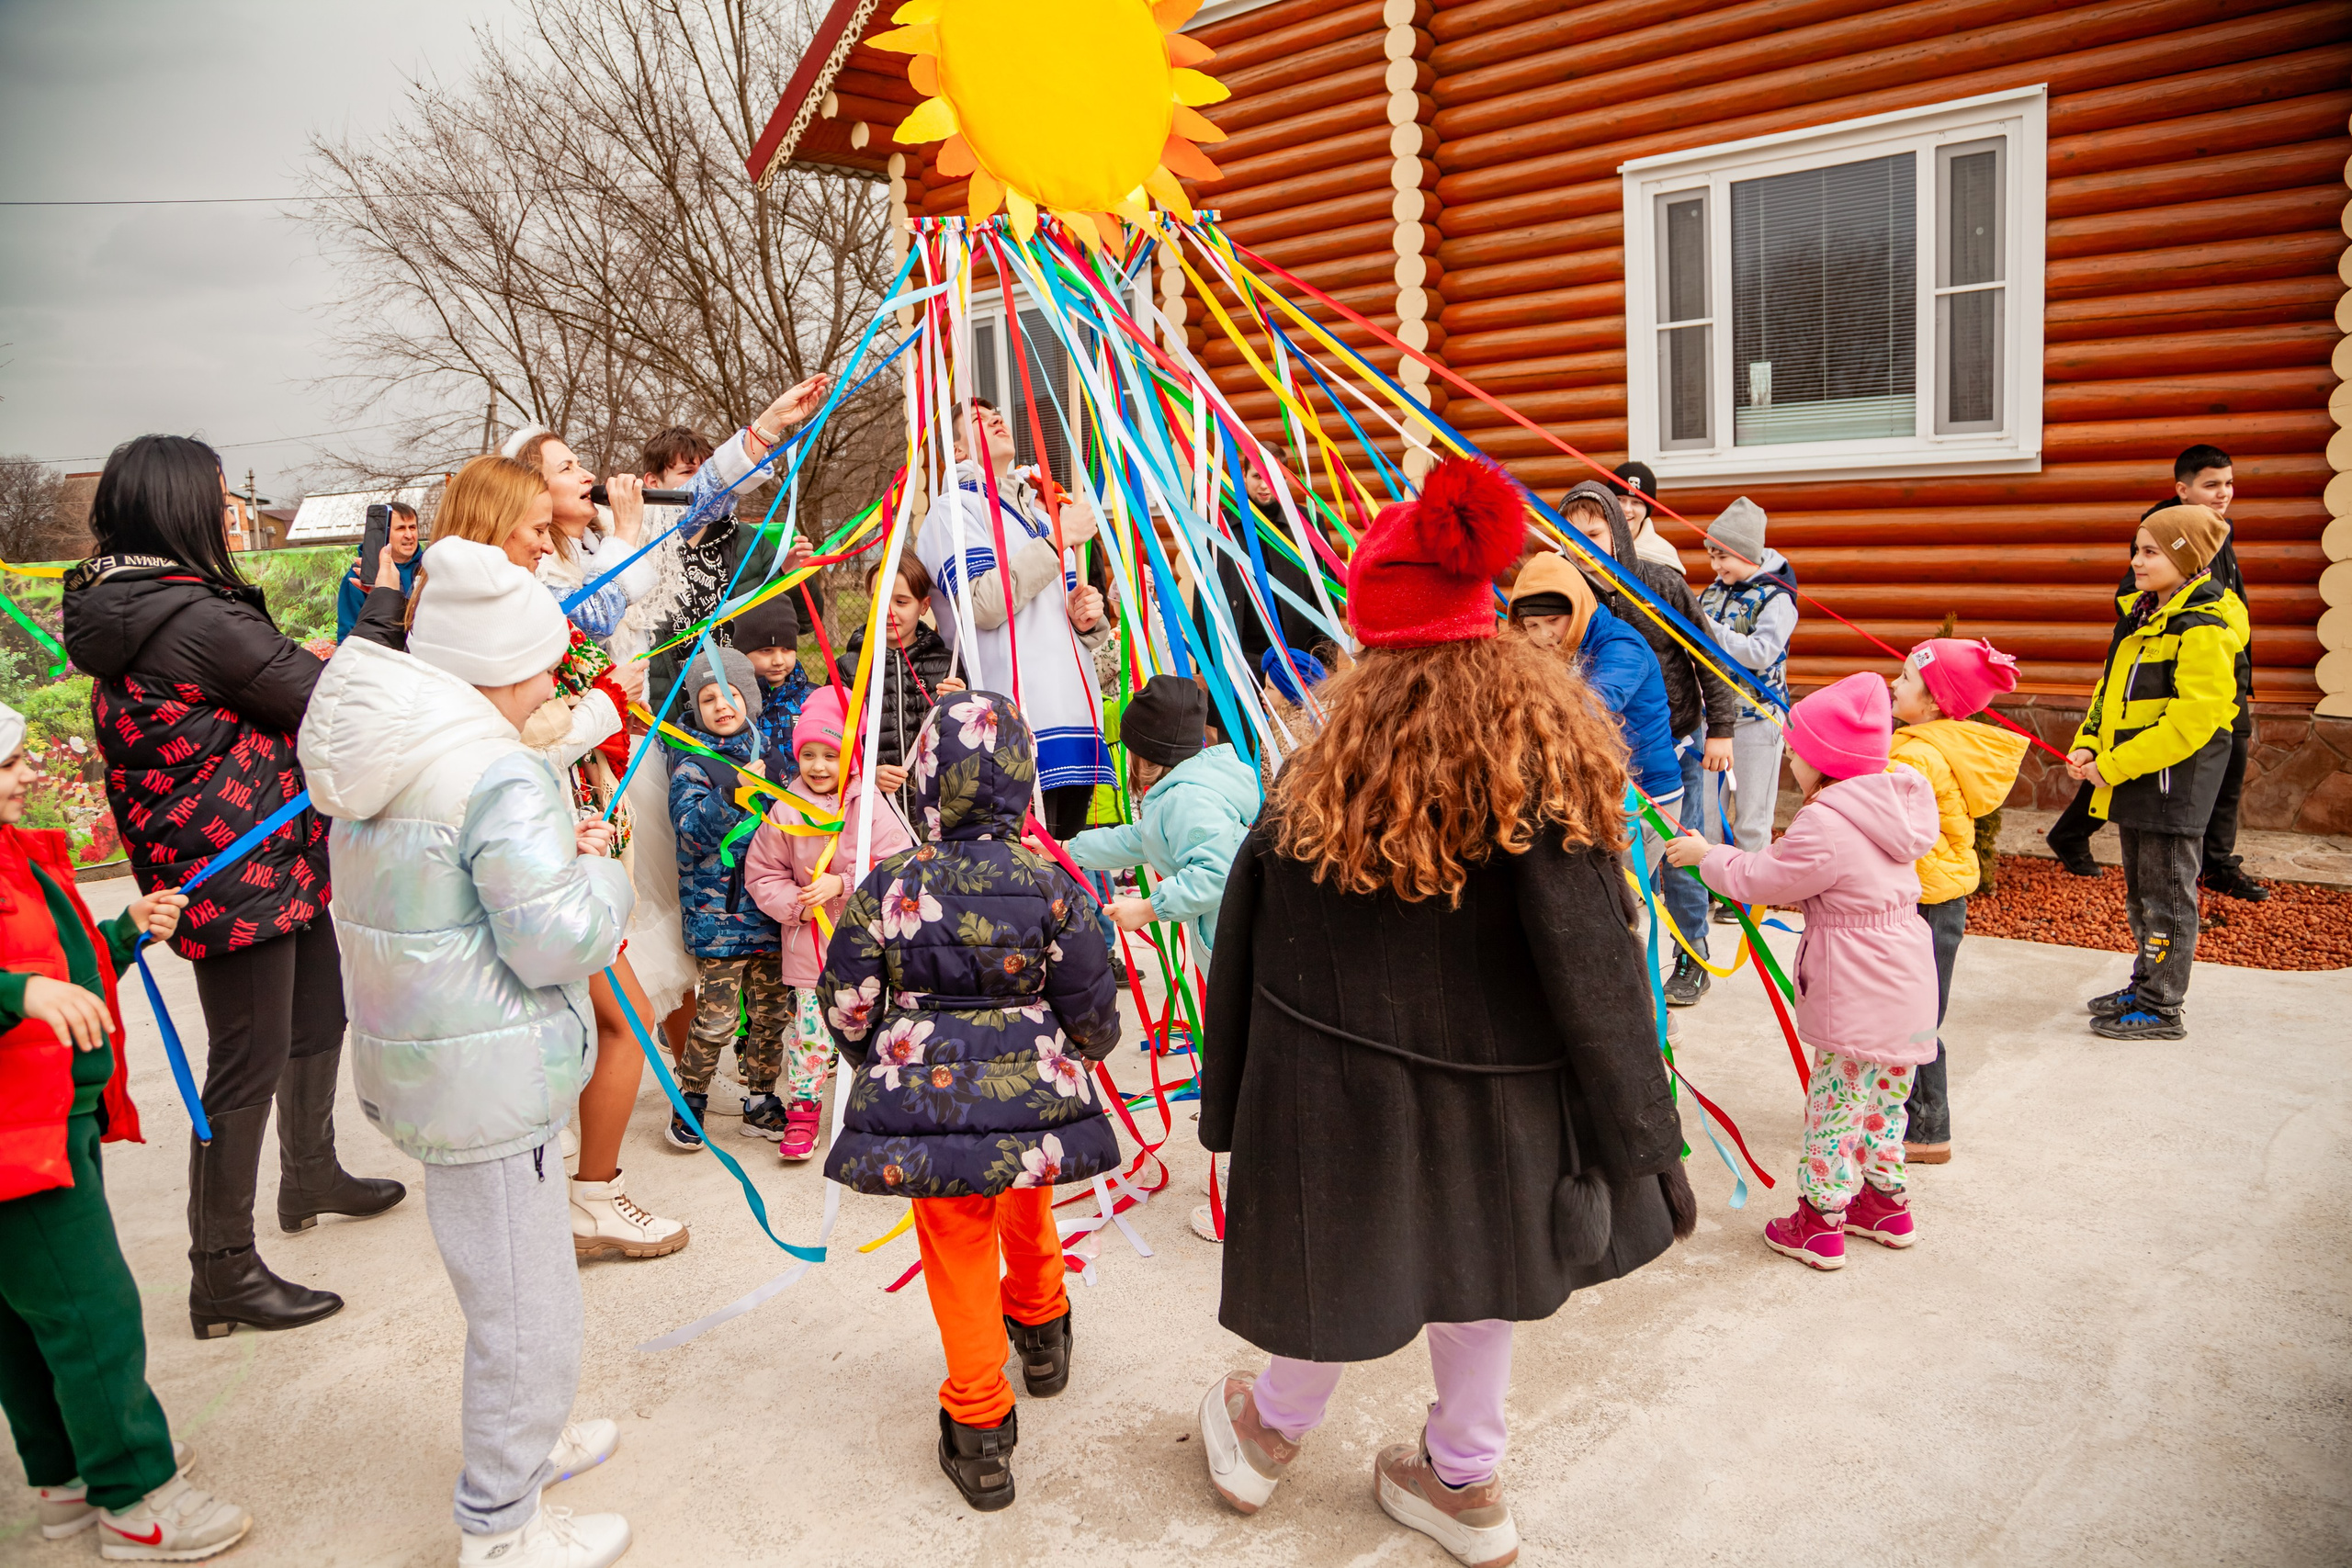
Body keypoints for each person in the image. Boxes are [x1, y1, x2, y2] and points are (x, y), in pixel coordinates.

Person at [1195, 456, 1691, 1568]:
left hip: (1340, 1107)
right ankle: (1463, 1483)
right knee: (1482, 1275)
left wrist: (1228, 1113)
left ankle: (1267, 1434)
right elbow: (1600, 973)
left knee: (1336, 1264)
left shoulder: (1309, 794)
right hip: (1500, 1108)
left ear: (1368, 650)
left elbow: (1245, 964)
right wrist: (1640, 1140)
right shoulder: (1547, 780)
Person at [300, 536, 635, 1568]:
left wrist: (553, 862)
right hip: (490, 1072)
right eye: (541, 661)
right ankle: (502, 1523)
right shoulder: (494, 770)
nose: (552, 680)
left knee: (516, 1279)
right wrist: (606, 882)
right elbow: (554, 942)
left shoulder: (396, 744)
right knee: (524, 1307)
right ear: (500, 666)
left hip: (438, 1063)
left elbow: (443, 892)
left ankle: (529, 1445)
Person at [62, 434, 406, 1340]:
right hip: (231, 867)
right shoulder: (191, 616)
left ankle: (311, 1172)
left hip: (261, 852)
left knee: (317, 1016)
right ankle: (221, 1272)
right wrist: (381, 600)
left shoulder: (140, 603)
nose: (227, 510)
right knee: (245, 1064)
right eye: (217, 496)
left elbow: (263, 689)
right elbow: (329, 704)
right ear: (176, 506)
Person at [817, 690, 1122, 1512]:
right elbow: (1092, 996)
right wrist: (1083, 1053)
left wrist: (875, 1059)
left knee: (955, 1241)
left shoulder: (890, 881)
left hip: (928, 1104)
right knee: (1027, 1194)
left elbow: (846, 995)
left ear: (925, 782)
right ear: (1023, 779)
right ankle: (1044, 1328)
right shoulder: (1050, 882)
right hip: (1032, 1094)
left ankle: (982, 1432)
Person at [414, 455, 684, 1261]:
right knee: (621, 1019)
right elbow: (511, 743)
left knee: (588, 1018)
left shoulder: (466, 608)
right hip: (525, 851)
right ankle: (591, 1196)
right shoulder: (479, 623)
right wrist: (602, 707)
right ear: (496, 527)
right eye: (534, 528)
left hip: (541, 834)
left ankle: (574, 1183)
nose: (543, 545)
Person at [0, 703, 253, 1561]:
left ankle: (70, 1474)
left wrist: (122, 933)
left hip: (46, 1117)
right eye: (8, 766)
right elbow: (26, 985)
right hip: (16, 1138)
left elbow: (55, 967)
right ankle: (138, 1496)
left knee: (29, 1317)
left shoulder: (15, 855)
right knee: (92, 1312)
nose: (29, 774)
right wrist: (18, 996)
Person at [1665, 671, 1939, 1272]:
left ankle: (1819, 1223)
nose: (1789, 761)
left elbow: (1763, 877)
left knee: (1834, 1106)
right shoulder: (1891, 806)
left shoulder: (1826, 823)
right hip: (1910, 985)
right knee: (1886, 1102)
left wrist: (1705, 855)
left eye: (1795, 752)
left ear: (1825, 761)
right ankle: (1886, 1205)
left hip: (1860, 988)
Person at [2046, 445, 2267, 901]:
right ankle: (2072, 833)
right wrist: (2176, 625)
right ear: (2182, 490)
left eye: (2228, 483)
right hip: (2160, 668)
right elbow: (2135, 598)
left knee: (2222, 768)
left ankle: (2217, 864)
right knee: (2125, 764)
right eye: (2211, 484)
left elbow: (2226, 602)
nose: (2223, 493)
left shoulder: (2216, 535)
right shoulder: (2166, 537)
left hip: (2217, 674)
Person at [2066, 505, 2247, 1042]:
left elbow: (2192, 722)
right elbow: (2108, 693)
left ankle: (2163, 1006)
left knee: (2168, 897)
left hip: (2174, 788)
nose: (2137, 561)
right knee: (2141, 894)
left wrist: (2114, 765)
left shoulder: (2206, 630)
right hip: (2135, 780)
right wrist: (2087, 744)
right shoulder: (2142, 617)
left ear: (2186, 557)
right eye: (2136, 549)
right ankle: (2145, 981)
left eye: (2150, 552)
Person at [1555, 479, 1739, 1005]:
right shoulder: (1570, 591)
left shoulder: (1661, 584)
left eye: (1592, 533)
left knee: (1681, 852)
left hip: (1675, 743)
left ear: (1616, 532)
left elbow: (1706, 653)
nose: (1581, 545)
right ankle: (1634, 962)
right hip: (1603, 757)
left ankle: (1692, 955)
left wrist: (1721, 728)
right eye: (1570, 535)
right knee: (1627, 869)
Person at [916, 398, 1115, 838]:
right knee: (1024, 870)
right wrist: (1058, 539)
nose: (996, 418)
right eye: (978, 419)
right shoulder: (954, 512)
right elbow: (982, 605)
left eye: (996, 413)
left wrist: (1086, 617)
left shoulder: (1041, 514)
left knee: (1067, 869)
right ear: (959, 451)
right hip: (1013, 726)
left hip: (1075, 721)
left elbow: (1054, 614)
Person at [742, 687, 914, 1162]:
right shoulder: (785, 808)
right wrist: (797, 904)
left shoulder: (871, 805)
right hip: (810, 947)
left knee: (878, 1026)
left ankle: (882, 1106)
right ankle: (803, 1111)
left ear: (851, 755)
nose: (819, 766)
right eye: (809, 755)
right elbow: (762, 872)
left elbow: (898, 864)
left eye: (831, 755)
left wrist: (840, 884)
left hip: (869, 948)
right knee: (811, 1034)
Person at [1887, 640, 2030, 1165]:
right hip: (1940, 897)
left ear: (1932, 703)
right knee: (1917, 1013)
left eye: (1905, 679)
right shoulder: (1937, 743)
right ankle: (1902, 1115)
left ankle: (1926, 1128)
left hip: (1923, 898)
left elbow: (1893, 826)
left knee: (1915, 1017)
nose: (1893, 685)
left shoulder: (1915, 754)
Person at [1507, 547, 1684, 918]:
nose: (1543, 635)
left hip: (1641, 798)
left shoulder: (1622, 646)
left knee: (1613, 911)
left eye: (1553, 620)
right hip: (1587, 793)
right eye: (1531, 625)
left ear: (1578, 606)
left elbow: (1589, 710)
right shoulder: (1548, 649)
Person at [663, 648, 792, 1145]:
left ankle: (761, 1098)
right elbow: (691, 833)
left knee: (771, 1015)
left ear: (750, 700)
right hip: (718, 918)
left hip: (770, 914)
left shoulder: (775, 761)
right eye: (709, 697)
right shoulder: (692, 765)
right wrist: (733, 792)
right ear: (696, 708)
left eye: (732, 694)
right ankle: (691, 1099)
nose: (721, 705)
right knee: (715, 1019)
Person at [1694, 498, 1797, 913]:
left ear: (1746, 552)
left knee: (1751, 815)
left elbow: (1761, 652)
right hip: (1712, 718)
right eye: (1712, 556)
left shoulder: (1777, 598)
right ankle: (1712, 888)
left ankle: (1749, 898)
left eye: (1723, 557)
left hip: (1758, 719)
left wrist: (1711, 632)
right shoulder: (1712, 593)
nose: (1716, 566)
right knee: (1705, 810)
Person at [833, 554, 962, 828]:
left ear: (924, 605)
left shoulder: (947, 665)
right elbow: (831, 741)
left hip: (935, 816)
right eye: (878, 600)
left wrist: (962, 705)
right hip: (874, 817)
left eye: (901, 601)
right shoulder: (848, 668)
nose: (888, 611)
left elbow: (968, 744)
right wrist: (867, 775)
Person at [730, 593, 815, 782]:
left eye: (786, 649)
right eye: (766, 650)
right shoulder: (732, 702)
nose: (778, 661)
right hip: (756, 804)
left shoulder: (814, 699)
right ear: (743, 651)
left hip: (806, 806)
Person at [334, 499, 419, 641]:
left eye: (412, 527)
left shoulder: (430, 569)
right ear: (383, 533)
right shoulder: (361, 577)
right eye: (400, 528)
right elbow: (349, 634)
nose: (409, 535)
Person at [1606, 459, 1687, 571]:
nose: (1627, 509)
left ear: (1647, 510)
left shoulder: (1664, 555)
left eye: (1636, 502)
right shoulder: (1591, 544)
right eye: (1620, 500)